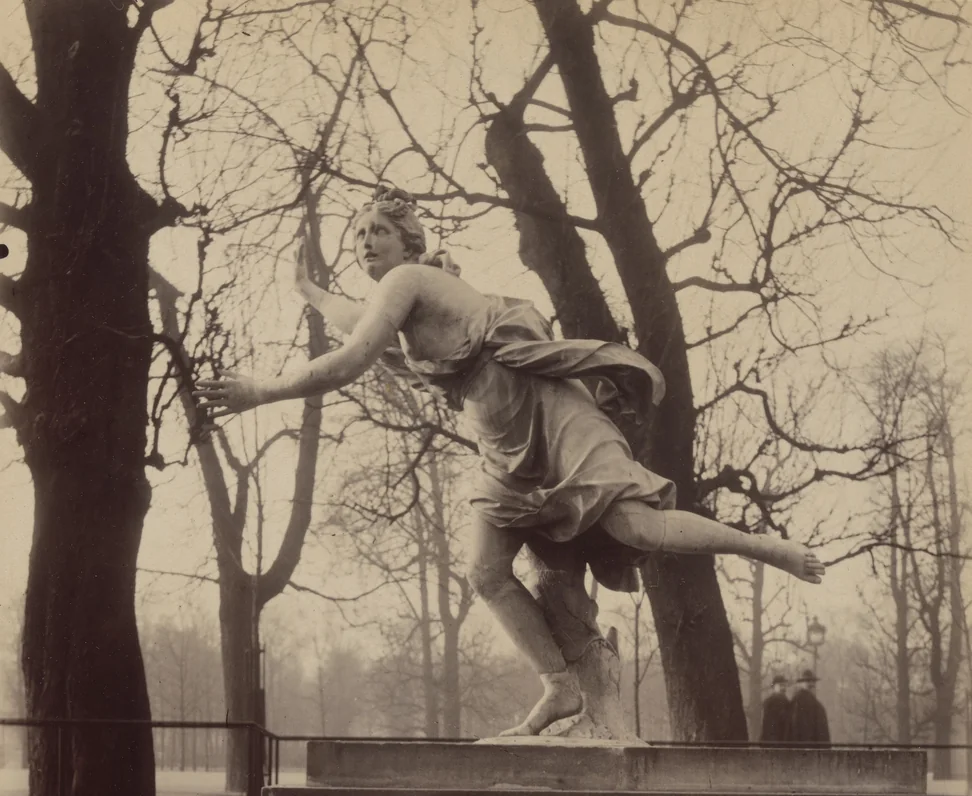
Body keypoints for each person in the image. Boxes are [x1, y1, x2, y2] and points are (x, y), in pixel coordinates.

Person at [195, 185, 825, 737]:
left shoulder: (408, 281)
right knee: (486, 573)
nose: (365, 243)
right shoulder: (399, 306)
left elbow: (353, 357)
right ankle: (561, 684)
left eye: (378, 231)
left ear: (408, 240)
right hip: (504, 452)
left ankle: (768, 547)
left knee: (636, 527)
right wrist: (309, 290)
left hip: (554, 417)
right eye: (357, 234)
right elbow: (350, 319)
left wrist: (260, 391)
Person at [788, 669, 831, 745]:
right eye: (808, 681)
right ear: (801, 684)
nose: (811, 684)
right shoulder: (797, 701)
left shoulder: (816, 704)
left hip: (807, 746)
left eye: (812, 681)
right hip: (803, 745)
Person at [759, 674, 791, 743]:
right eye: (780, 685)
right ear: (774, 687)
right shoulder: (771, 701)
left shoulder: (786, 702)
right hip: (773, 740)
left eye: (784, 685)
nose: (783, 688)